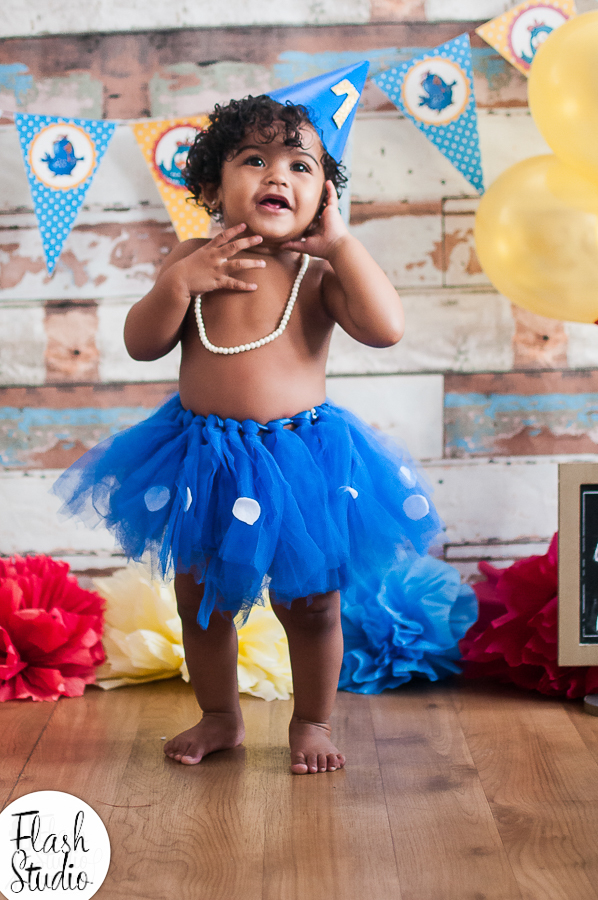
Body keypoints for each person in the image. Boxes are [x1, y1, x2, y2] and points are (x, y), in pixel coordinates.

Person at [53, 90, 442, 774]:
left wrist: (342, 245)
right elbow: (142, 343)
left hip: (299, 462)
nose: (277, 175)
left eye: (300, 166)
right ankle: (220, 715)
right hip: (204, 460)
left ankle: (312, 721)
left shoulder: (319, 273)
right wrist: (179, 285)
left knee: (313, 605)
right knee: (201, 602)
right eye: (254, 160)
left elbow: (386, 329)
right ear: (211, 187)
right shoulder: (191, 258)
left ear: (323, 196)